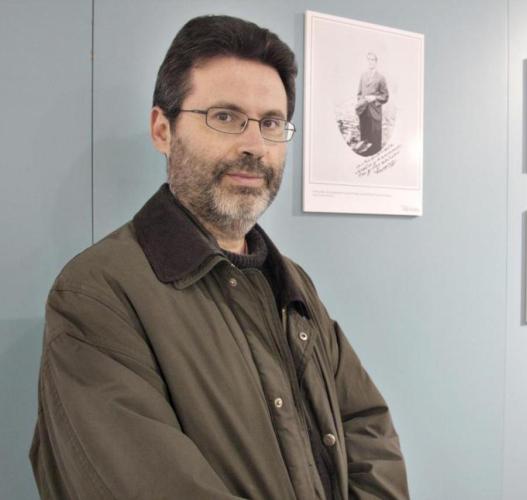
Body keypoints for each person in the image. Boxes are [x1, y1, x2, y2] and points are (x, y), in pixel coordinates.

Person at [29, 15, 409, 500]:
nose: (255, 146)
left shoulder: (291, 283)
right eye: (225, 117)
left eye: (271, 123)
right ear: (162, 129)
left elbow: (367, 428)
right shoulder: (98, 294)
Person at [354, 52, 389, 156]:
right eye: (368, 59)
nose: (370, 62)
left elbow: (385, 96)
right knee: (364, 139)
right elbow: (359, 93)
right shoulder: (363, 76)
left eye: (372, 59)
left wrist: (374, 98)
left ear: (376, 62)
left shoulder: (381, 78)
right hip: (363, 111)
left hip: (375, 112)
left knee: (375, 142)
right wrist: (361, 103)